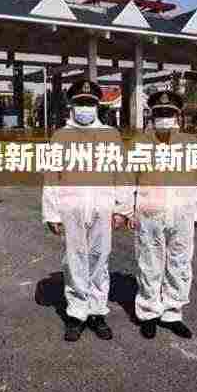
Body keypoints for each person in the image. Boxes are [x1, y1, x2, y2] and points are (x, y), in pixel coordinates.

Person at [42, 79, 133, 342]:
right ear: (72, 106)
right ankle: (77, 314)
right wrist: (52, 214)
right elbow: (51, 176)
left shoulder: (111, 135)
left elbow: (122, 174)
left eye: (89, 103)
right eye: (80, 103)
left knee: (100, 260)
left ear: (97, 106)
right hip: (70, 208)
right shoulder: (60, 136)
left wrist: (122, 209)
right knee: (74, 261)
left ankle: (97, 312)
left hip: (103, 207)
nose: (85, 108)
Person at [128, 90, 197, 339]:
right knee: (149, 264)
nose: (164, 118)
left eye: (169, 113)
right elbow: (128, 182)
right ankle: (149, 312)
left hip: (182, 214)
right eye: (160, 113)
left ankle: (172, 312)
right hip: (148, 215)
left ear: (178, 116)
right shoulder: (139, 144)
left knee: (180, 264)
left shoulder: (192, 144)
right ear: (152, 116)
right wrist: (128, 211)